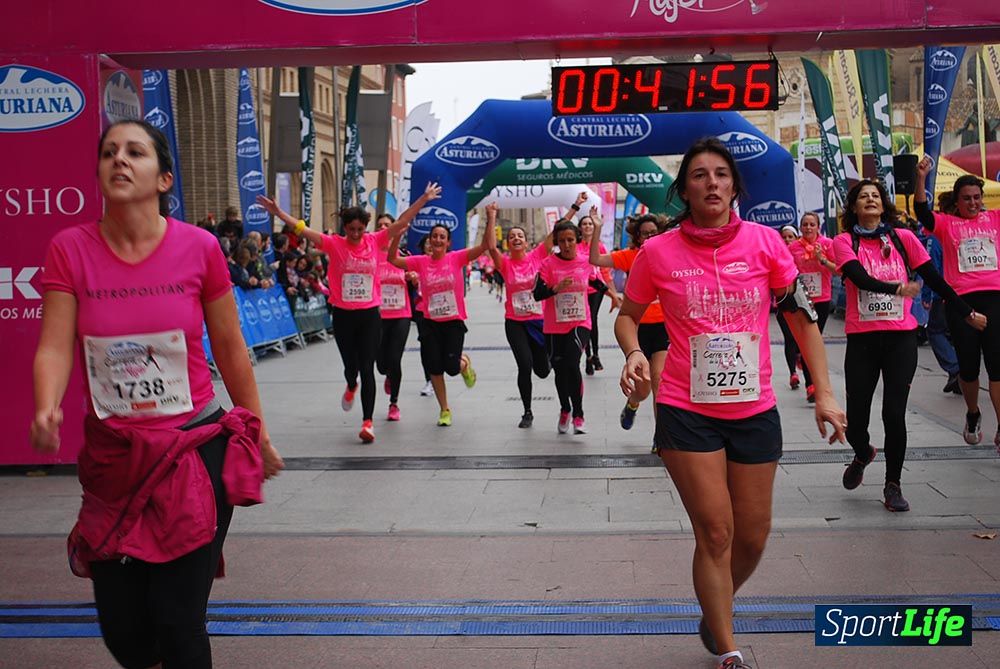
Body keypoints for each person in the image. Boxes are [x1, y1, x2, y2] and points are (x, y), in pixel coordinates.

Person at [30, 119, 283, 669]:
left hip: (192, 454)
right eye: (108, 153)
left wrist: (255, 430)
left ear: (164, 177)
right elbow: (54, 346)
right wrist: (46, 404)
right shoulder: (70, 249)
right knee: (126, 634)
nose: (119, 160)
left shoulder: (200, 248)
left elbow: (231, 349)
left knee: (177, 618)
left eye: (135, 152)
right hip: (113, 459)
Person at [616, 138, 846, 669]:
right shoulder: (658, 252)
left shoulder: (768, 244)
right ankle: (728, 647)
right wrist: (633, 354)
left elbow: (802, 318)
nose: (712, 183)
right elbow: (627, 314)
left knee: (753, 535)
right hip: (684, 407)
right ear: (685, 189)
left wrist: (825, 391)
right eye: (699, 175)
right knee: (715, 531)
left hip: (754, 408)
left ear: (734, 185)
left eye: (721, 174)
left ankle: (712, 604)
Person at [833, 178, 985, 512]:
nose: (870, 200)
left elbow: (935, 279)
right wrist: (896, 290)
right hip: (862, 339)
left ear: (883, 204)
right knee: (856, 419)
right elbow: (858, 277)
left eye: (875, 195)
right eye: (863, 197)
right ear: (854, 207)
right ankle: (863, 452)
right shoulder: (843, 241)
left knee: (893, 413)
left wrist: (967, 311)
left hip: (901, 337)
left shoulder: (902, 239)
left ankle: (893, 485)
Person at [256, 183, 440, 443]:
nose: (355, 234)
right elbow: (302, 229)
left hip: (369, 315)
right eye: (351, 229)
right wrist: (278, 213)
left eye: (360, 229)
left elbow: (403, 220)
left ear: (366, 228)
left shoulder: (376, 241)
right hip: (342, 315)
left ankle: (367, 422)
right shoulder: (333, 244)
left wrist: (424, 197)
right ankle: (350, 384)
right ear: (344, 227)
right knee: (351, 367)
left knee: (368, 368)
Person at [387, 194, 496, 426]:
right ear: (430, 240)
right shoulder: (420, 261)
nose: (437, 240)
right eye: (434, 236)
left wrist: (490, 217)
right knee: (434, 367)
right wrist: (397, 235)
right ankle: (444, 409)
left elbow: (486, 246)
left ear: (448, 243)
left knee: (451, 368)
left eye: (442, 237)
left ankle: (464, 364)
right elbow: (392, 259)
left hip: (453, 321)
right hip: (429, 322)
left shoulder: (456, 258)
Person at [914, 157, 1000, 448]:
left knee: (997, 365)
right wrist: (921, 178)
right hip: (961, 303)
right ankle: (973, 413)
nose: (973, 203)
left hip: (994, 298)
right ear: (958, 201)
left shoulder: (995, 220)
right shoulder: (947, 225)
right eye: (967, 199)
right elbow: (922, 212)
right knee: (969, 367)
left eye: (977, 197)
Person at [590, 211, 670, 436]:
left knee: (659, 380)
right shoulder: (631, 256)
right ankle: (633, 403)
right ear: (637, 237)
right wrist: (597, 228)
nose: (649, 238)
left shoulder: (668, 254)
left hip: (663, 326)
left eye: (653, 233)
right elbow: (595, 259)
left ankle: (660, 436)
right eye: (644, 234)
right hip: (637, 329)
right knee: (643, 388)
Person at [533, 219, 608, 434]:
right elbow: (538, 294)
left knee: (573, 363)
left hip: (579, 322)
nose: (567, 245)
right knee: (560, 371)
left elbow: (598, 285)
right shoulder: (548, 264)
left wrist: (610, 296)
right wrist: (555, 288)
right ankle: (565, 408)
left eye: (571, 240)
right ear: (556, 242)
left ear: (577, 241)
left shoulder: (586, 262)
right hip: (554, 327)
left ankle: (579, 414)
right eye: (562, 241)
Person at [488, 204, 554, 428]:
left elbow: (554, 235)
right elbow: (489, 246)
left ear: (526, 243)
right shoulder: (505, 264)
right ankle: (527, 411)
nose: (516, 238)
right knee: (524, 366)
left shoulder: (536, 257)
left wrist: (575, 207)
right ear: (508, 243)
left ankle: (550, 358)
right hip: (515, 323)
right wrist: (491, 217)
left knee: (543, 371)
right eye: (512, 236)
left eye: (520, 236)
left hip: (538, 321)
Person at [787, 212, 838, 402]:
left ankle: (804, 362)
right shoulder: (793, 247)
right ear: (800, 228)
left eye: (812, 224)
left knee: (815, 340)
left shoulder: (827, 244)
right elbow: (788, 271)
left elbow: (838, 270)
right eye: (805, 224)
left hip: (822, 298)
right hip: (802, 299)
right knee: (808, 341)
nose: (808, 228)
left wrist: (822, 259)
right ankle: (811, 385)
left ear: (818, 227)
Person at [375, 212, 416, 421]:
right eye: (380, 225)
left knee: (394, 358)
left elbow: (416, 279)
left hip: (401, 313)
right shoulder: (370, 254)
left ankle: (394, 404)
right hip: (378, 316)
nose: (383, 228)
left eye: (387, 224)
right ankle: (388, 375)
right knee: (381, 364)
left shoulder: (403, 255)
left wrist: (412, 278)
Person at [577, 196, 621, 375]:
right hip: (580, 290)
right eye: (584, 224)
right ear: (580, 228)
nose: (587, 226)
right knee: (585, 322)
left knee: (592, 319)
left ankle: (595, 354)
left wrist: (613, 293)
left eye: (590, 224)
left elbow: (604, 272)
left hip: (596, 289)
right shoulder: (576, 246)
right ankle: (588, 356)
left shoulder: (600, 247)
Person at [774, 225, 802, 391]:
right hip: (781, 305)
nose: (787, 240)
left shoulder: (805, 254)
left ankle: (800, 358)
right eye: (784, 237)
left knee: (800, 339)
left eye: (790, 237)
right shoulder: (776, 257)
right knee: (790, 338)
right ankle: (793, 373)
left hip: (802, 305)